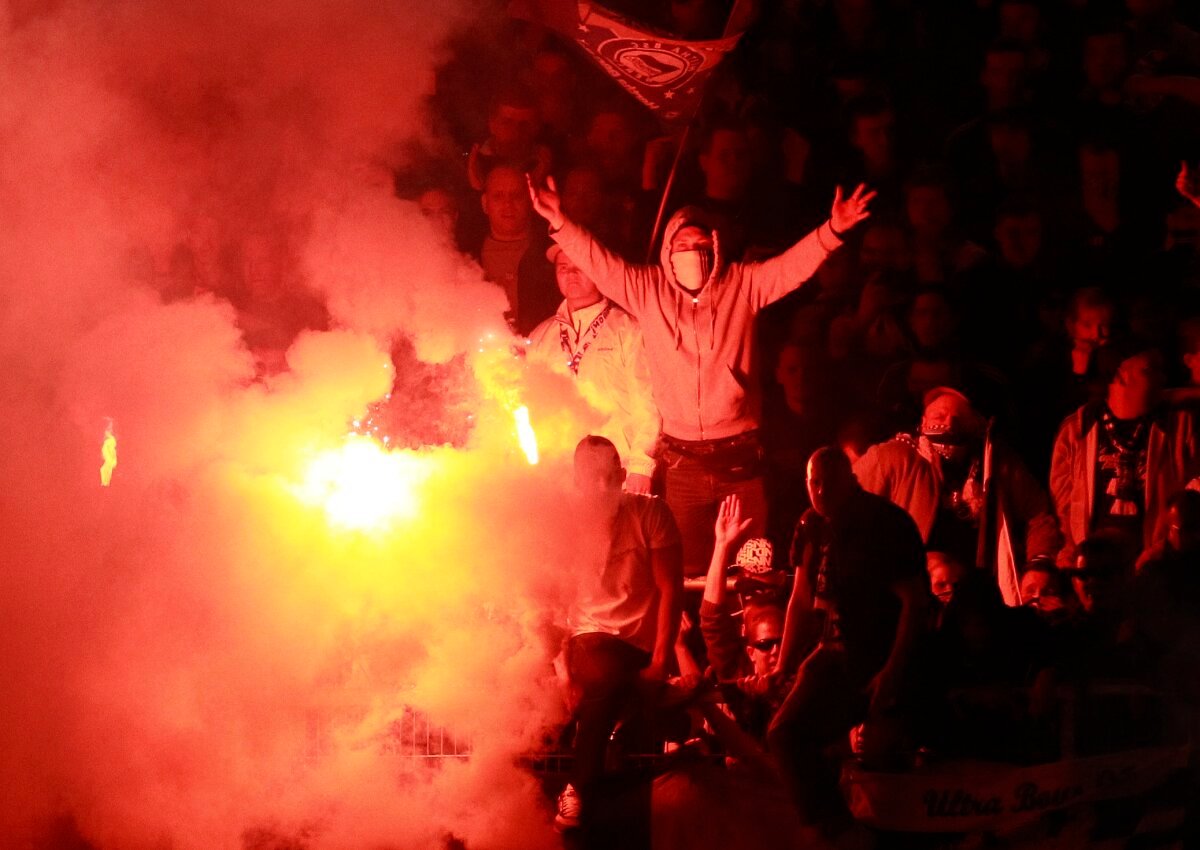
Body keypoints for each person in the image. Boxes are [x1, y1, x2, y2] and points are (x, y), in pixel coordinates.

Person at [528, 172, 876, 577]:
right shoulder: (648, 289)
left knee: (753, 570)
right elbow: (600, 264)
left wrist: (832, 231)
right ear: (667, 250)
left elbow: (790, 268)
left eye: (699, 244)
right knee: (686, 572)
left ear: (715, 246)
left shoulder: (743, 286)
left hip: (740, 461)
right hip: (684, 467)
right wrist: (560, 222)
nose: (691, 252)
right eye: (681, 245)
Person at [768, 447, 927, 843]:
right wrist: (783, 665)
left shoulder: (882, 524)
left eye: (828, 482)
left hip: (872, 656)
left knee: (795, 736)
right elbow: (802, 599)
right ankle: (835, 830)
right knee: (788, 735)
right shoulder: (811, 525)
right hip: (835, 653)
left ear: (850, 480)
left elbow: (915, 600)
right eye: (813, 483)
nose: (820, 491)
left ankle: (840, 833)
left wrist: (892, 670)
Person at [557, 436, 683, 831]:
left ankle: (579, 785)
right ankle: (578, 785)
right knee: (602, 666)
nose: (600, 487)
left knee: (611, 672)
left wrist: (662, 660)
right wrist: (562, 671)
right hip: (588, 640)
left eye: (608, 478)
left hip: (635, 644)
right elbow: (550, 605)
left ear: (623, 476)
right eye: (591, 478)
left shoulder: (651, 514)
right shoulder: (563, 524)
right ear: (577, 481)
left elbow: (671, 589)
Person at [855, 386, 1061, 603]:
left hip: (977, 598)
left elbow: (1038, 513)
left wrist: (1039, 562)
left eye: (959, 418)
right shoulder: (892, 457)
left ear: (977, 425)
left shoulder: (998, 463)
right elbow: (849, 508)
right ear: (923, 422)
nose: (949, 424)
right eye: (939, 416)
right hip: (908, 598)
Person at [1050, 339, 1199, 567]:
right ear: (1120, 377)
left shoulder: (1181, 426)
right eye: (1151, 370)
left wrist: (1165, 546)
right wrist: (1073, 558)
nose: (1163, 378)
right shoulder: (1077, 431)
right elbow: (1063, 508)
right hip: (1095, 567)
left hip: (1158, 566)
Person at [526, 245, 660, 493]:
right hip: (560, 475)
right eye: (563, 268)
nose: (571, 274)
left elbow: (648, 402)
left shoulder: (629, 329)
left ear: (599, 271)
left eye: (580, 267)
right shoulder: (541, 336)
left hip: (617, 472)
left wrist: (641, 466)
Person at [472, 163, 558, 335]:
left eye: (516, 195)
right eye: (498, 196)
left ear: (530, 201)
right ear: (485, 203)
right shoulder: (468, 257)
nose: (508, 203)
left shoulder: (552, 255)